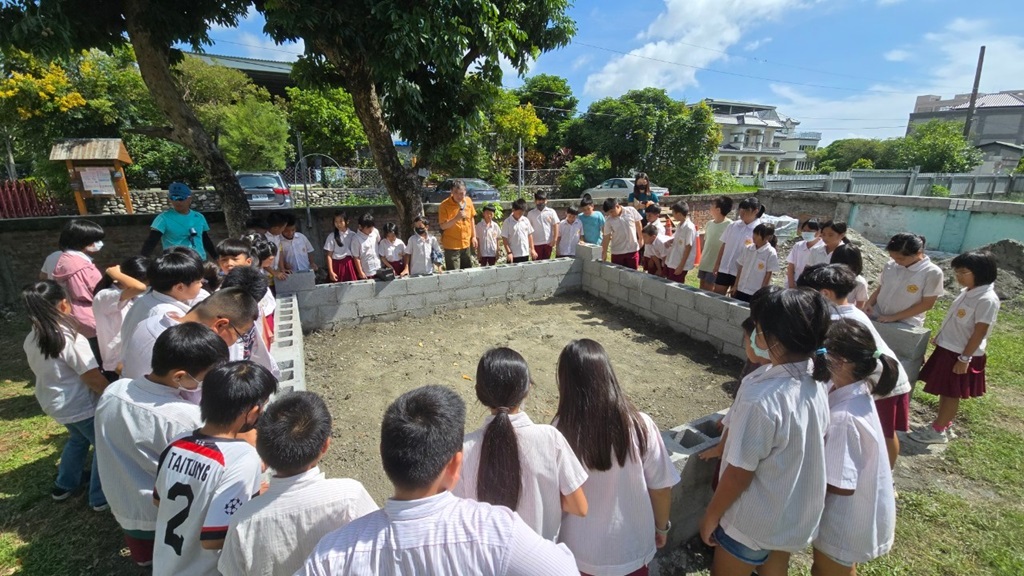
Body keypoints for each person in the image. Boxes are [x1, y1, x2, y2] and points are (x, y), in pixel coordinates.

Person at [298, 385, 579, 575]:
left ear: (384, 456)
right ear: (455, 464)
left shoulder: (331, 556)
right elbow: (564, 570)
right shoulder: (497, 533)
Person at [699, 289, 830, 576]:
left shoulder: (761, 399)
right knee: (775, 565)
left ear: (775, 338)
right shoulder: (815, 377)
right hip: (789, 512)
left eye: (758, 328)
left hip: (753, 521)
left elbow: (739, 473)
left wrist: (712, 515)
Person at [94, 323, 229, 568]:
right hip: (164, 514)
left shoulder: (115, 390)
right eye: (206, 378)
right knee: (173, 560)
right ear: (179, 376)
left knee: (146, 558)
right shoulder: (184, 418)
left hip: (122, 501)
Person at [554, 339, 679, 576]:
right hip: (630, 551)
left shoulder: (558, 430)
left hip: (578, 553)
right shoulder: (641, 425)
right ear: (608, 374)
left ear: (566, 383)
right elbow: (662, 488)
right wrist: (662, 527)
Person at [219, 391, 378, 576]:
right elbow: (382, 548)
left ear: (262, 452)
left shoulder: (243, 521)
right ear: (325, 445)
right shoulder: (349, 497)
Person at [152, 361, 277, 576]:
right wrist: (255, 504)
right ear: (253, 411)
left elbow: (158, 500)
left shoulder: (178, 443)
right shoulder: (243, 458)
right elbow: (213, 540)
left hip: (166, 565)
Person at [453, 348, 588, 540]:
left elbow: (457, 516)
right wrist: (544, 497)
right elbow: (579, 507)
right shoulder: (550, 439)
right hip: (540, 565)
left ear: (479, 392)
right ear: (527, 390)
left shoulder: (462, 449)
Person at [798, 263, 912, 471]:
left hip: (882, 383)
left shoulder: (838, 320)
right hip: (873, 377)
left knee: (884, 434)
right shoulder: (848, 311)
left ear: (825, 293)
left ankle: (887, 474)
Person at [812, 319, 897, 576]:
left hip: (843, 521)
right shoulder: (855, 389)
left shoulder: (844, 419)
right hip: (853, 514)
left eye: (822, 352)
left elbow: (839, 484)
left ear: (841, 362)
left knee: (826, 570)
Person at [22, 281, 110, 512]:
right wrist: (112, 395)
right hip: (80, 405)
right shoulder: (70, 338)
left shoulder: (33, 337)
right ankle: (100, 497)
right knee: (104, 446)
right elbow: (91, 377)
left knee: (78, 439)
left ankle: (65, 484)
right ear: (63, 305)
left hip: (56, 404)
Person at [910, 250, 1000, 445]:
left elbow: (979, 332)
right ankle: (944, 423)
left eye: (963, 272)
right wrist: (941, 336)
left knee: (952, 392)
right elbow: (955, 319)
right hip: (949, 348)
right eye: (957, 272)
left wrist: (965, 359)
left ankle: (938, 430)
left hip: (961, 354)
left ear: (981, 272)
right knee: (946, 390)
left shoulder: (986, 299)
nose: (958, 277)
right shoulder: (967, 292)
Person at [121, 287, 259, 381]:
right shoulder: (191, 353)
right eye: (239, 335)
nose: (235, 342)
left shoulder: (150, 322)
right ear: (221, 325)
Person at [120, 249, 206, 346]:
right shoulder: (168, 317)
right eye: (198, 282)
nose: (201, 285)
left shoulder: (144, 300)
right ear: (180, 287)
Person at [866, 233, 944, 327]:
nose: (896, 261)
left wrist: (893, 317)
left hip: (905, 323)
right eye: (893, 257)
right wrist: (868, 304)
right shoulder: (890, 266)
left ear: (918, 253)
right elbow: (881, 288)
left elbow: (927, 304)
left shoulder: (932, 272)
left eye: (901, 258)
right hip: (877, 316)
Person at [52, 219, 106, 355]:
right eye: (95, 240)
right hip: (89, 319)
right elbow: (91, 292)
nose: (99, 244)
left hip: (76, 316)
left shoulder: (67, 260)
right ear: (83, 241)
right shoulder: (79, 267)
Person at [92, 256, 149, 379]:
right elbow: (139, 287)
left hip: (134, 360)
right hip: (116, 364)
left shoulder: (136, 297)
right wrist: (116, 273)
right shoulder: (105, 296)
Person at [141, 182, 217, 260]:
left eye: (181, 198)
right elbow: (151, 242)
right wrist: (142, 260)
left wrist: (216, 257)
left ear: (189, 199)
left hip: (199, 261)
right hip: (175, 263)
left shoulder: (199, 217)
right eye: (173, 198)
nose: (177, 202)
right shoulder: (162, 219)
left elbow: (205, 239)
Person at [712, 197, 764, 296]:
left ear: (755, 211)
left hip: (741, 273)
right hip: (725, 268)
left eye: (746, 210)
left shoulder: (758, 231)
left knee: (735, 300)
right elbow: (724, 244)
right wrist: (717, 264)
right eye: (741, 209)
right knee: (717, 296)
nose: (742, 212)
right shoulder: (733, 226)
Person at [732, 223, 778, 303]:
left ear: (768, 237)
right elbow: (741, 268)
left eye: (758, 235)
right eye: (754, 233)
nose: (754, 236)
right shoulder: (748, 248)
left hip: (755, 292)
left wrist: (762, 292)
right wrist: (735, 285)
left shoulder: (770, 252)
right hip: (741, 288)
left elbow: (768, 274)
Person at [438, 179, 478, 270]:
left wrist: (474, 236)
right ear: (451, 191)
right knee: (454, 275)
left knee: (467, 272)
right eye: (456, 193)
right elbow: (443, 226)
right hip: (452, 246)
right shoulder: (444, 205)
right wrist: (456, 218)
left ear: (465, 192)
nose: (459, 196)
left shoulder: (468, 201)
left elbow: (471, 219)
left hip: (466, 244)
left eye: (462, 193)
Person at [697, 196, 734, 291]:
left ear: (718, 209)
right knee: (702, 286)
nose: (710, 207)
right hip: (705, 261)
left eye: (712, 205)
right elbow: (706, 242)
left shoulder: (730, 225)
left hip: (715, 264)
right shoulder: (709, 223)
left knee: (709, 288)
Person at [601, 198, 644, 270]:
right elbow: (606, 237)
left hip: (632, 249)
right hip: (618, 251)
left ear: (617, 206)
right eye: (609, 213)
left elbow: (638, 224)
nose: (611, 214)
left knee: (633, 274)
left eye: (612, 211)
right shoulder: (608, 220)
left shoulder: (631, 210)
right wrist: (604, 252)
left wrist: (641, 238)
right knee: (618, 275)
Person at [664, 201, 697, 283]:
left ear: (679, 214)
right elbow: (677, 239)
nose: (673, 215)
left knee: (676, 286)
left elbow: (688, 247)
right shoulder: (680, 225)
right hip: (674, 260)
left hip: (679, 263)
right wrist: (670, 241)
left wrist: (681, 266)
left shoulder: (689, 228)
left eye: (673, 213)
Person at [829, 244, 869, 309]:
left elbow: (860, 305)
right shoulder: (828, 277)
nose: (843, 268)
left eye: (847, 265)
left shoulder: (860, 283)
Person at [785, 219, 822, 288]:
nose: (806, 233)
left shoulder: (823, 248)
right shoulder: (798, 246)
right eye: (804, 231)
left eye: (810, 231)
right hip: (795, 283)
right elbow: (790, 267)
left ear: (819, 232)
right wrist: (791, 285)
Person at [324, 211, 357, 283]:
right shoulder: (331, 236)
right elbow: (329, 256)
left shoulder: (353, 235)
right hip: (337, 266)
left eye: (341, 221)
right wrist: (331, 272)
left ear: (347, 221)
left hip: (349, 265)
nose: (338, 224)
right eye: (336, 222)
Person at [501, 199, 537, 264]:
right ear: (513, 210)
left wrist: (532, 249)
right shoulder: (507, 222)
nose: (521, 214)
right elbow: (504, 239)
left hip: (525, 253)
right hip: (513, 254)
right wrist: (509, 252)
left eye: (522, 212)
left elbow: (530, 235)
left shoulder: (526, 220)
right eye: (519, 212)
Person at [528, 191, 560, 261]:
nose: (541, 202)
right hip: (536, 243)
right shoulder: (531, 214)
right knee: (536, 264)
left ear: (546, 201)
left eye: (543, 200)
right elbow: (528, 230)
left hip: (548, 243)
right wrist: (531, 247)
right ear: (535, 201)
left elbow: (556, 224)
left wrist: (555, 239)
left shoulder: (551, 212)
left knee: (546, 263)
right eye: (539, 200)